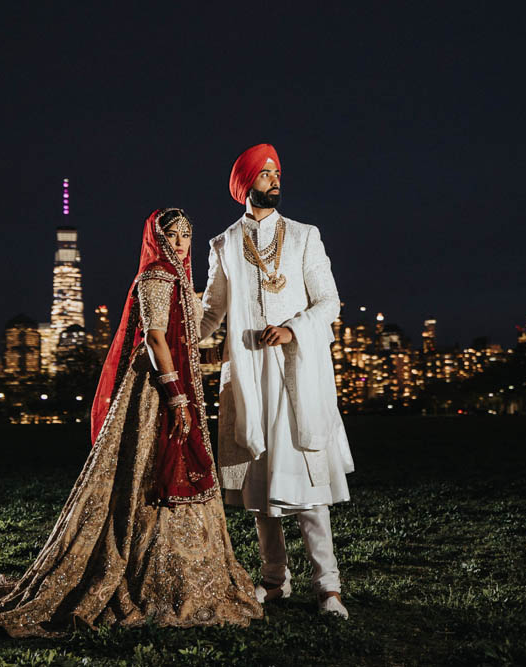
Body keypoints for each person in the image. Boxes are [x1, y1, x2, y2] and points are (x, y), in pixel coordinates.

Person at [0, 208, 262, 637]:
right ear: (157, 239)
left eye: (187, 235)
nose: (180, 243)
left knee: (172, 467)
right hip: (156, 391)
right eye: (172, 235)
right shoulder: (156, 277)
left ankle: (185, 573)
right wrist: (176, 396)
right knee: (148, 470)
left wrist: (222, 351)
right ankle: (143, 571)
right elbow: (157, 338)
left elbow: (186, 339)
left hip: (176, 384)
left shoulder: (180, 281)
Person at [200, 144, 355, 619]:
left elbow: (329, 302)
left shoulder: (307, 237)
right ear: (246, 183)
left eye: (278, 172)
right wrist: (175, 339)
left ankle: (328, 588)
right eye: (265, 173)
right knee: (260, 487)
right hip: (249, 375)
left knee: (308, 486)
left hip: (297, 371)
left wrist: (293, 329)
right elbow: (210, 312)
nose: (274, 179)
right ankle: (274, 580)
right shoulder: (224, 244)